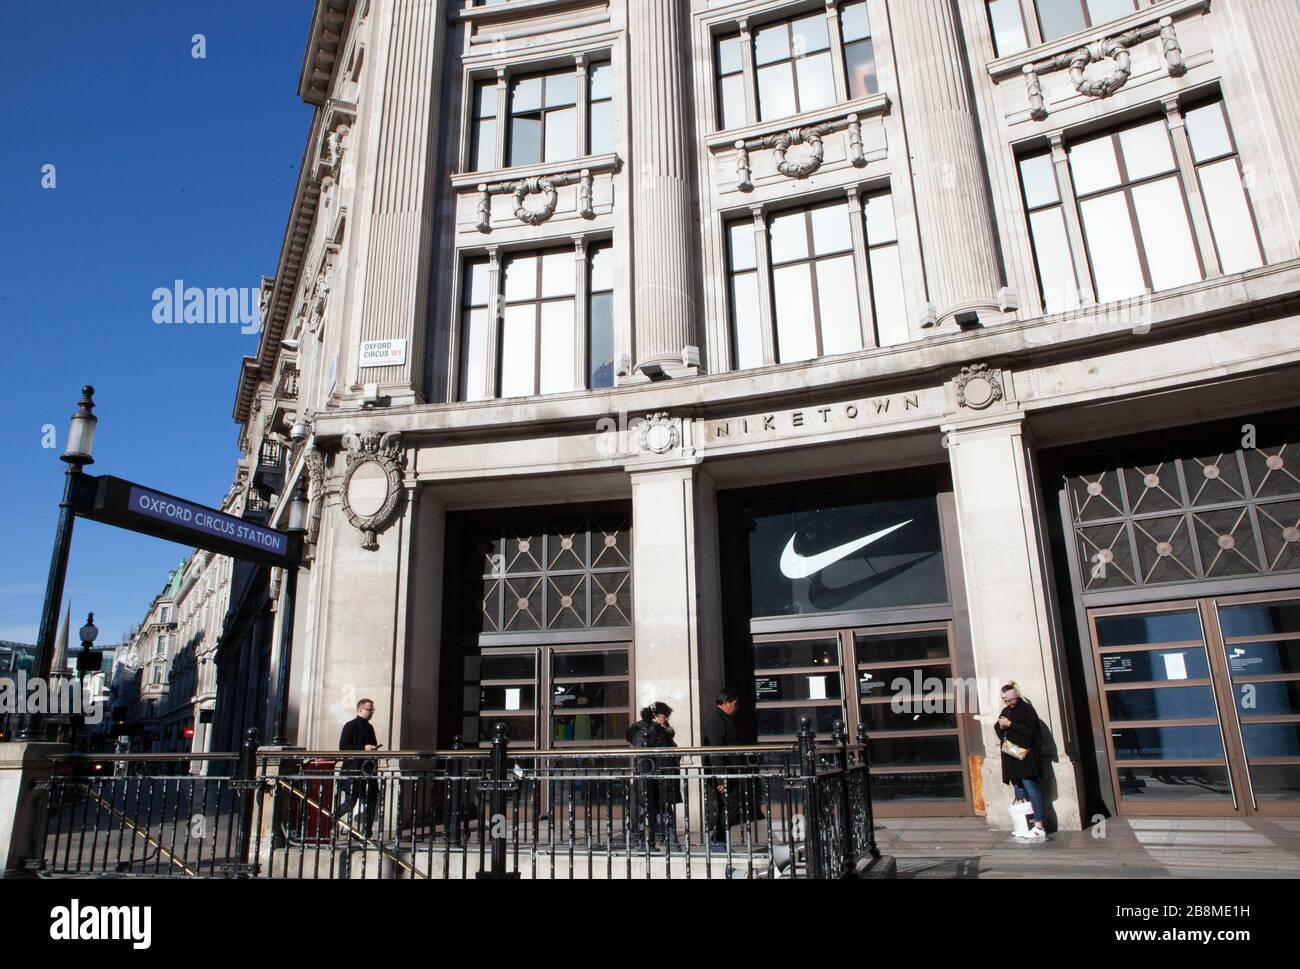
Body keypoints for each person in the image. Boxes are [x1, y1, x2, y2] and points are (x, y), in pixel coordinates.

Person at [993, 682, 1046, 841]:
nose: (1007, 703)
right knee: (1019, 790)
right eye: (1004, 700)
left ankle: (1039, 825)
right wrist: (1001, 727)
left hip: (1027, 757)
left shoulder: (1027, 710)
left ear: (1016, 696)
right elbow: (998, 729)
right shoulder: (1006, 710)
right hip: (1013, 757)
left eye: (1009, 699)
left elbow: (1032, 732)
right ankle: (1025, 824)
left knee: (1031, 788)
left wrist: (1011, 724)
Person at [627, 702, 682, 848]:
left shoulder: (660, 730)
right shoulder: (647, 730)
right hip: (653, 777)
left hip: (660, 776)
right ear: (655, 716)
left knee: (660, 809)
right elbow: (642, 755)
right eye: (664, 716)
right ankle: (648, 841)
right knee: (651, 810)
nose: (666, 719)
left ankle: (663, 840)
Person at [701, 687, 742, 849]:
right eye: (734, 703)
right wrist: (721, 777)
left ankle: (720, 838)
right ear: (726, 703)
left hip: (729, 770)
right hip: (723, 772)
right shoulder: (716, 720)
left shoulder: (724, 717)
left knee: (731, 805)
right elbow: (715, 751)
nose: (736, 707)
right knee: (730, 805)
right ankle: (718, 838)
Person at [337, 698, 381, 839]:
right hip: (354, 770)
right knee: (350, 802)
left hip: (368, 770)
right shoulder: (350, 725)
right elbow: (344, 747)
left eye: (372, 710)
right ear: (360, 709)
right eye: (369, 709)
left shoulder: (369, 727)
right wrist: (363, 748)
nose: (371, 712)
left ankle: (366, 832)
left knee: (371, 799)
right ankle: (329, 819)